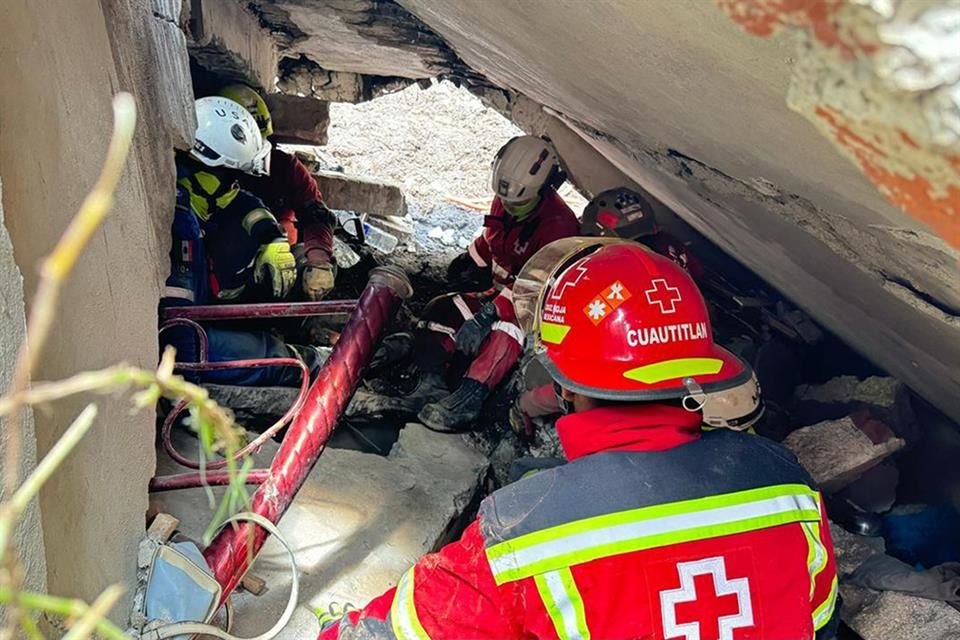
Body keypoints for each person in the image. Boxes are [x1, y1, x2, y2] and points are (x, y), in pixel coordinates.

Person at [319, 238, 839, 640]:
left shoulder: (521, 532)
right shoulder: (784, 481)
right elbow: (818, 620)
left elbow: (401, 629)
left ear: (566, 382)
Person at [351, 135, 579, 432]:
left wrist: (489, 314)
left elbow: (533, 287)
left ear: (545, 188)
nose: (509, 206)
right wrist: (472, 260)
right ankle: (430, 380)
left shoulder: (559, 226)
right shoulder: (505, 202)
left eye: (518, 202)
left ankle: (470, 398)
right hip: (498, 293)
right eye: (505, 200)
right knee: (443, 307)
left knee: (507, 332)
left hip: (531, 312)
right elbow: (493, 239)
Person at [161, 96, 322, 387]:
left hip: (206, 317)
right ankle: (317, 364)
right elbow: (179, 329)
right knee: (278, 359)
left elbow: (247, 205)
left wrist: (272, 239)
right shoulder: (180, 223)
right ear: (208, 172)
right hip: (186, 342)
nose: (236, 185)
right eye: (233, 176)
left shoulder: (205, 198)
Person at [218, 84, 338, 301]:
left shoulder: (283, 167)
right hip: (227, 260)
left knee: (311, 267)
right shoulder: (210, 167)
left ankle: (296, 328)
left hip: (284, 257)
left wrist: (318, 259)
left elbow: (316, 213)